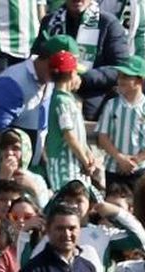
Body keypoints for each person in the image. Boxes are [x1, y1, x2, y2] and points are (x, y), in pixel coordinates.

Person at [0, 35, 79, 163]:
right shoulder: (13, 81)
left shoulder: (52, 82)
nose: (63, 77)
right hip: (7, 166)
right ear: (48, 60)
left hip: (35, 165)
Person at [33, 0, 129, 121]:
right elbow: (37, 59)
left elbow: (121, 68)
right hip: (49, 96)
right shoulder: (50, 22)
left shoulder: (108, 23)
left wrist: (83, 79)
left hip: (90, 101)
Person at [97, 55, 145, 189]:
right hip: (114, 168)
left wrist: (136, 160)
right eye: (120, 76)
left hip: (140, 170)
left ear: (140, 80)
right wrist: (120, 158)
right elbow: (103, 137)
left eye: (126, 77)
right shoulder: (111, 105)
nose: (120, 80)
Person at [45, 50, 94, 192]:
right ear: (71, 74)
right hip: (65, 162)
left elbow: (79, 136)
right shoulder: (61, 101)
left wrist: (87, 153)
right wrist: (85, 160)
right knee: (67, 197)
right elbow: (69, 135)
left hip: (76, 161)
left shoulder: (69, 100)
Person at [0, 128, 50, 211]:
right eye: (4, 148)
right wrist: (1, 182)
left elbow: (46, 214)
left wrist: (34, 190)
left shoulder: (37, 180)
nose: (9, 153)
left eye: (15, 148)